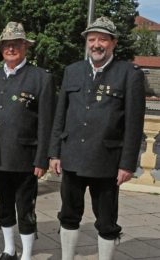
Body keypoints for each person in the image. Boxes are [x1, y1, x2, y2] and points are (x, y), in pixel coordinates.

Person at [48, 17, 145, 260]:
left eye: (102, 39)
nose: (96, 44)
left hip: (107, 161)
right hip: (72, 158)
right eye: (92, 39)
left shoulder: (129, 74)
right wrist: (54, 152)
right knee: (68, 214)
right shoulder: (73, 71)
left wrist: (127, 163)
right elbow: (60, 115)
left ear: (113, 42)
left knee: (106, 220)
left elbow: (134, 124)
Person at [0, 22, 55, 260]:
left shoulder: (41, 78)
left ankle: (28, 254)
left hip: (25, 157)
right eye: (6, 45)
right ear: (0, 50)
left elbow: (46, 123)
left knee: (25, 208)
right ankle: (9, 249)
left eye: (16, 44)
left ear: (25, 47)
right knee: (4, 206)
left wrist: (42, 158)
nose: (11, 49)